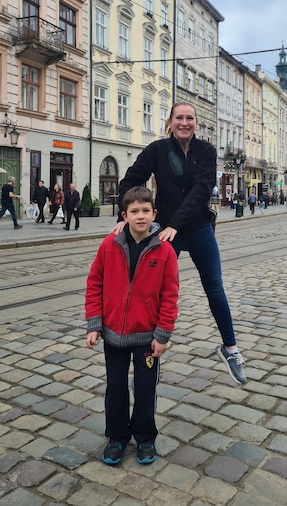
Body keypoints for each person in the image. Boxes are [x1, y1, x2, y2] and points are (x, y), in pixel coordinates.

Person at [114, 102, 246, 385]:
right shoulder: (157, 150)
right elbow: (129, 181)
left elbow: (201, 190)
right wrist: (124, 215)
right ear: (170, 122)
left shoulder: (207, 152)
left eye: (190, 118)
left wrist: (175, 224)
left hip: (197, 228)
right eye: (179, 118)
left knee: (215, 288)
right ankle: (146, 348)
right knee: (151, 288)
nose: (184, 122)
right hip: (165, 232)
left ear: (196, 123)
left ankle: (230, 349)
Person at [86, 186, 179, 466]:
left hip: (147, 339)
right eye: (135, 211)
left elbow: (169, 295)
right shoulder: (109, 245)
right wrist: (94, 324)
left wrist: (162, 335)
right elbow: (95, 284)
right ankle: (116, 437)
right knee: (115, 387)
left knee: (145, 388)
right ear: (124, 215)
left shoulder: (165, 251)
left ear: (154, 214)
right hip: (113, 335)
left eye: (146, 211)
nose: (141, 216)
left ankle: (145, 438)